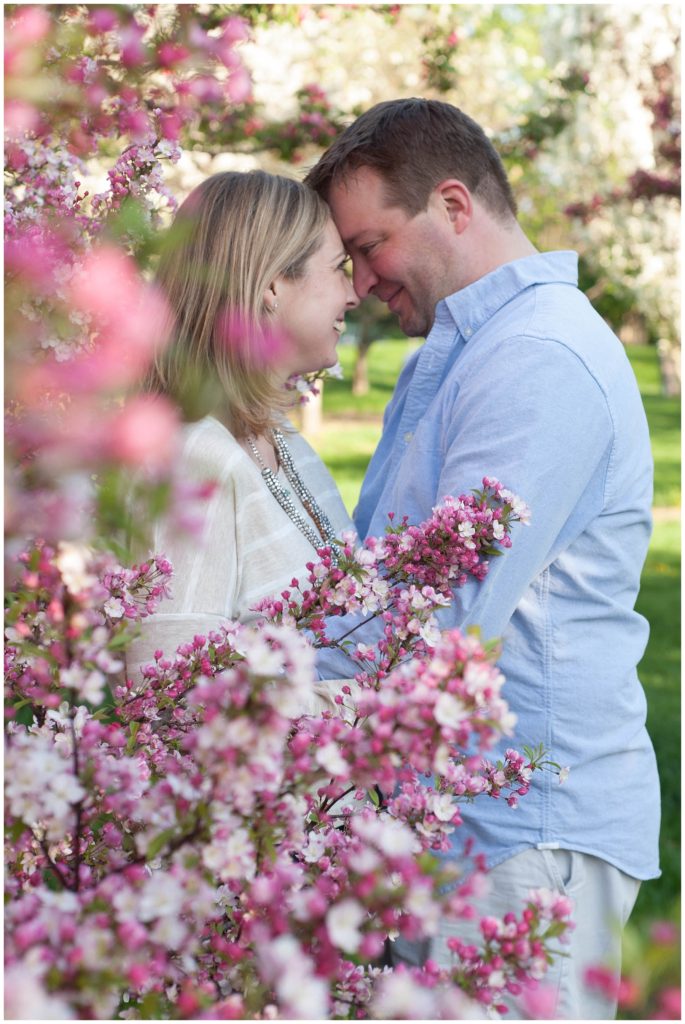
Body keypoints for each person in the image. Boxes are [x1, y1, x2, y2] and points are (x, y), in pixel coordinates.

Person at [305, 98, 661, 1019]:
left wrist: (254, 681)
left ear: (453, 205)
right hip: (457, 826)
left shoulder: (537, 358)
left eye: (369, 245)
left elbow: (435, 618)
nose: (360, 281)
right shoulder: (470, 350)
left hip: (522, 831)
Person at [126, 170, 359, 716]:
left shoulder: (282, 441)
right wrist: (381, 709)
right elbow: (172, 703)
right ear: (272, 285)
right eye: (338, 268)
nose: (353, 295)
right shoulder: (191, 460)